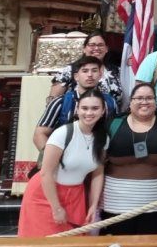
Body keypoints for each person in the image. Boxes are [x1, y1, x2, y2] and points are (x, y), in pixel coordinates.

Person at [17, 88, 108, 237]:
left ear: (103, 110)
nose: (89, 113)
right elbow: (46, 173)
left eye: (95, 108)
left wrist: (93, 206)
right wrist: (56, 208)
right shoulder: (63, 133)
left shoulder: (103, 138)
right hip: (45, 195)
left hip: (75, 197)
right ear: (77, 109)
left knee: (73, 246)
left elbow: (98, 173)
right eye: (84, 108)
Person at [101, 82, 157, 235]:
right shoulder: (112, 125)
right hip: (116, 205)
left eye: (149, 98)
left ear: (156, 101)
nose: (144, 102)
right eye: (139, 98)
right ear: (131, 101)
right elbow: (98, 165)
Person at [34, 56, 118, 150]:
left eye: (94, 71)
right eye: (85, 71)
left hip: (98, 156)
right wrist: (53, 158)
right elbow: (39, 134)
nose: (90, 75)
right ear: (76, 76)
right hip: (65, 156)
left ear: (100, 75)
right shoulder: (60, 102)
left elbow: (114, 133)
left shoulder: (110, 102)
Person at [48, 32, 122, 104]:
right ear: (84, 48)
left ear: (106, 49)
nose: (96, 48)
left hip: (113, 115)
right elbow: (53, 100)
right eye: (92, 45)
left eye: (100, 45)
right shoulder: (69, 70)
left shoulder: (117, 71)